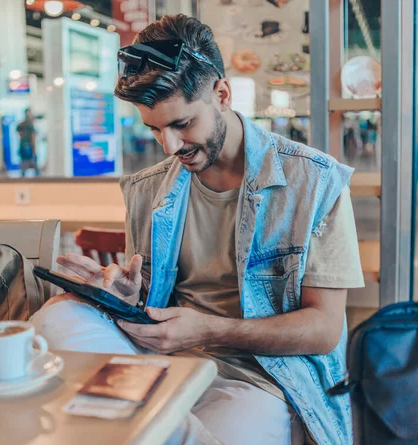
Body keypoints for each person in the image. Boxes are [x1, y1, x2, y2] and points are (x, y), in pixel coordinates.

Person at [29, 15, 364, 445]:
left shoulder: (314, 181)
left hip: (259, 377)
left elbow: (323, 330)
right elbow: (152, 298)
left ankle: (146, 419)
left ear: (221, 94)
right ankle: (154, 419)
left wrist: (208, 329)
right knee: (56, 317)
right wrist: (126, 297)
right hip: (161, 356)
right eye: (154, 130)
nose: (169, 146)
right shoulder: (147, 188)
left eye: (182, 124)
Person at [17, 108, 39, 176]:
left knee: (25, 163)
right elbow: (33, 137)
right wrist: (34, 149)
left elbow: (20, 135)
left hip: (24, 145)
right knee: (30, 163)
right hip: (27, 146)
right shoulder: (29, 125)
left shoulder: (22, 124)